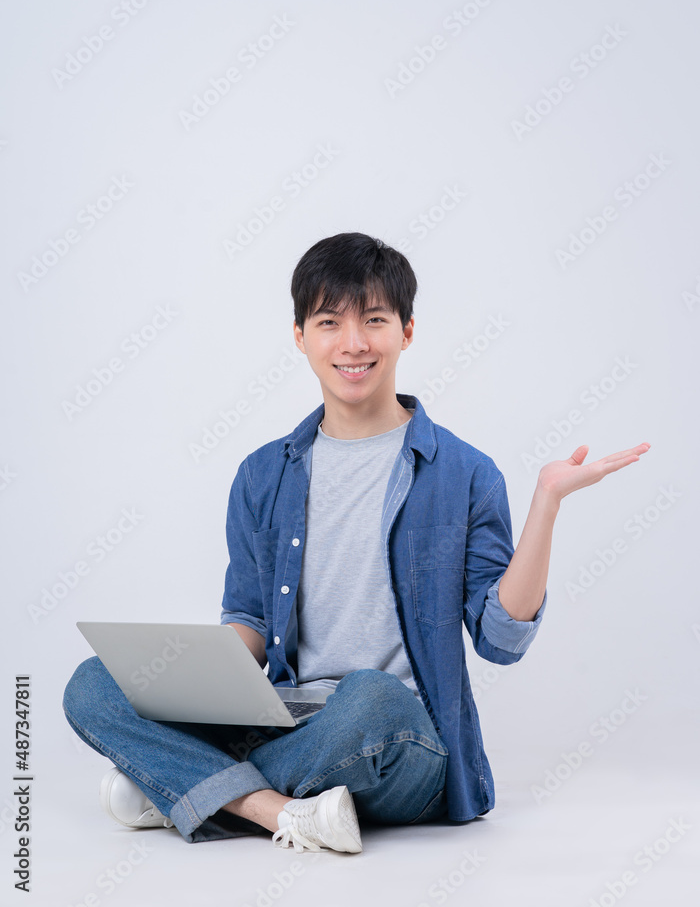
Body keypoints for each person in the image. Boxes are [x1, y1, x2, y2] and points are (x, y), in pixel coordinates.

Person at [63, 232, 650, 854]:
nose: (353, 344)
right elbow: (250, 622)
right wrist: (186, 676)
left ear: (407, 331)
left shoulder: (466, 473)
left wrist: (547, 504)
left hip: (398, 736)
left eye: (374, 320)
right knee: (93, 683)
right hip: (285, 719)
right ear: (300, 336)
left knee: (371, 695)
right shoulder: (263, 474)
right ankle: (280, 811)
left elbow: (501, 640)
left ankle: (192, 790)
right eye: (328, 322)